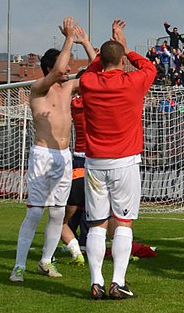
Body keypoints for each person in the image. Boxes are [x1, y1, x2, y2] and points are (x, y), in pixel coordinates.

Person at [10, 17, 92, 282]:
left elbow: (96, 72)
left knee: (58, 212)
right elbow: (57, 72)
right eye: (64, 62)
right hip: (42, 156)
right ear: (49, 66)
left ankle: (46, 261)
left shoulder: (68, 87)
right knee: (35, 212)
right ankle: (19, 266)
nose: (68, 68)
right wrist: (68, 38)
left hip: (64, 156)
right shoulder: (38, 88)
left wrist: (85, 42)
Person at [80, 19, 156, 299]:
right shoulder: (133, 81)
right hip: (124, 161)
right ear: (122, 60)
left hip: (95, 162)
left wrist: (108, 51)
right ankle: (118, 282)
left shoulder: (88, 82)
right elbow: (149, 67)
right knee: (123, 223)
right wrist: (124, 43)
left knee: (97, 224)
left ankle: (96, 282)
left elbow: (92, 68)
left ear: (101, 61)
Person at [61, 27, 97, 266]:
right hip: (89, 156)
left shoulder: (73, 100)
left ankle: (75, 241)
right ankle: (78, 241)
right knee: (85, 204)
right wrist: (85, 43)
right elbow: (100, 68)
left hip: (80, 156)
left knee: (76, 204)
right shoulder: (94, 98)